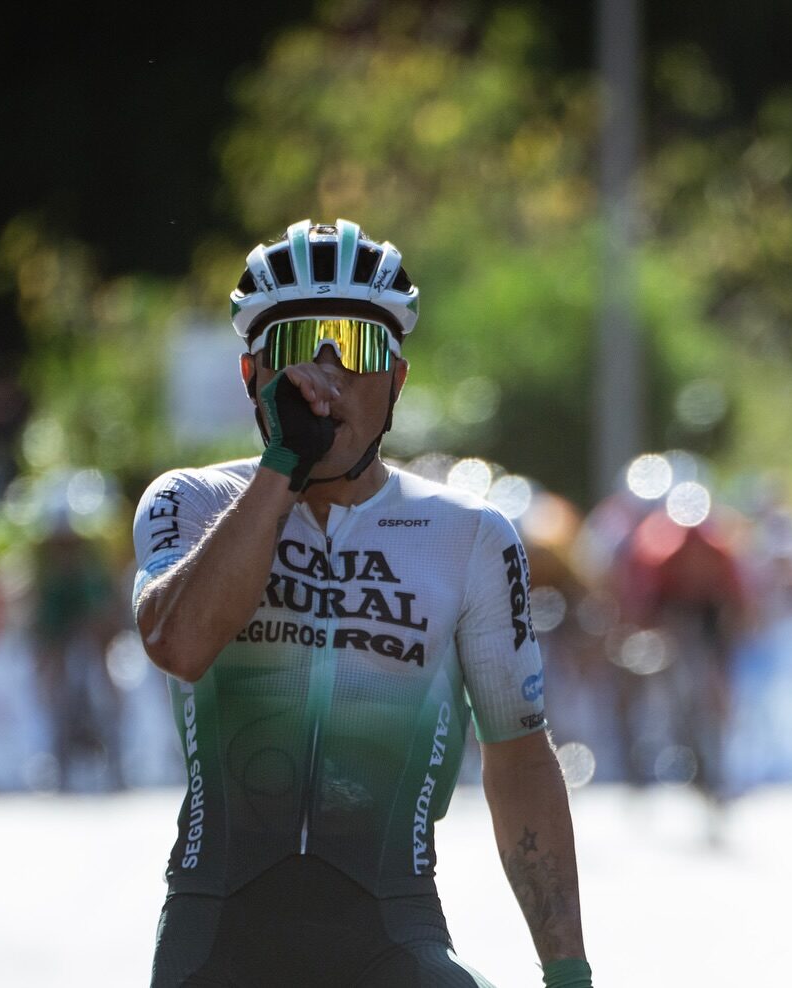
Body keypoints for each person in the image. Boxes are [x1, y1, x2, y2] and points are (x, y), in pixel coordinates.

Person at [132, 220, 593, 987]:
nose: (327, 372)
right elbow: (178, 643)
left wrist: (568, 973)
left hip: (391, 929)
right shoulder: (193, 500)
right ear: (254, 375)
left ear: (399, 381)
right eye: (298, 347)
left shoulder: (468, 535)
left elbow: (518, 757)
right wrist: (284, 464)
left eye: (357, 347)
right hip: (217, 937)